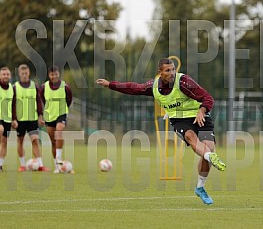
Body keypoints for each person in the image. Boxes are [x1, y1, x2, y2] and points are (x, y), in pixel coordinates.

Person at [96, 58, 226, 205]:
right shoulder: (153, 86)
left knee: (209, 148)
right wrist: (110, 85)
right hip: (179, 119)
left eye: (173, 69)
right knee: (192, 138)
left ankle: (200, 187)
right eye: (167, 70)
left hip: (199, 115)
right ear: (160, 72)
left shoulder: (184, 82)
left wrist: (202, 111)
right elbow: (133, 88)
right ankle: (210, 155)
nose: (172, 73)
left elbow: (207, 97)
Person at [11, 64, 50, 172]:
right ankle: (23, 165)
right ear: (19, 74)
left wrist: (40, 116)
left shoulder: (34, 86)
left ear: (29, 73)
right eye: (22, 73)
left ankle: (41, 165)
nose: (24, 75)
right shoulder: (15, 87)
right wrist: (13, 119)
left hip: (32, 119)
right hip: (20, 120)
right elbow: (12, 104)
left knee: (35, 141)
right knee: (20, 141)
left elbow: (38, 102)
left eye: (26, 72)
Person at [40, 66, 73, 173]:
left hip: (61, 114)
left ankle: (59, 157)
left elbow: (69, 100)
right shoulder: (44, 87)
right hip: (49, 115)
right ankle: (57, 166)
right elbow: (42, 99)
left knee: (59, 130)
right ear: (49, 75)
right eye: (52, 74)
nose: (54, 76)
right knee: (53, 141)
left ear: (59, 74)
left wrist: (63, 110)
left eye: (56, 74)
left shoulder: (65, 87)